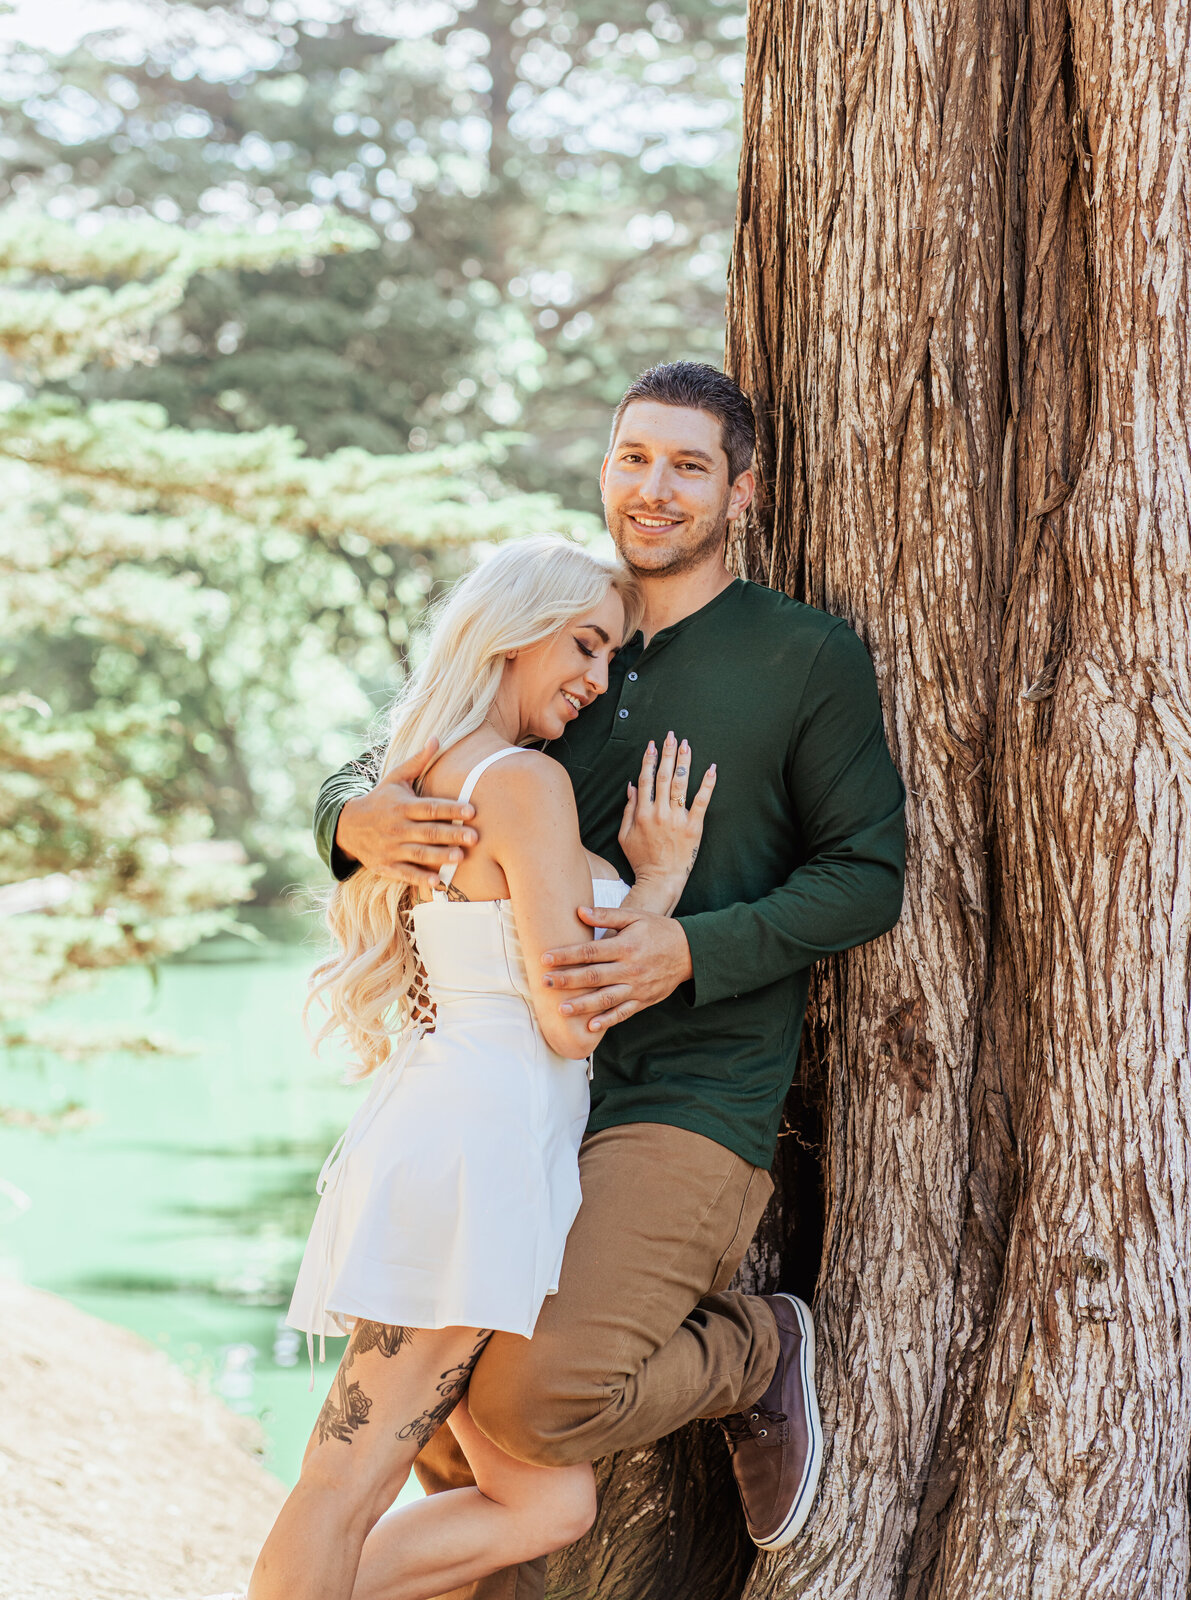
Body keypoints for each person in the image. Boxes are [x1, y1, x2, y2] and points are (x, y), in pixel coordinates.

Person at [316, 361, 907, 1599]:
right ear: (605, 468)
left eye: (691, 464)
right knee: (438, 1424)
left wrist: (688, 941)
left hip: (684, 1091)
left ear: (744, 491)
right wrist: (349, 818)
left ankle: (757, 1349)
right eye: (634, 457)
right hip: (515, 1089)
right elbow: (409, 756)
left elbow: (866, 875)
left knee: (532, 1404)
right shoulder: (563, 627)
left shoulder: (803, 655)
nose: (655, 487)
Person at [247, 537, 717, 1600]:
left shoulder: (425, 768)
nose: (595, 679)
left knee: (550, 1504)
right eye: (584, 644)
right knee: (347, 1481)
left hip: (477, 1134)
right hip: (480, 1148)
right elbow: (569, 1018)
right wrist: (660, 886)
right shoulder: (525, 782)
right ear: (511, 630)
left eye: (611, 657)